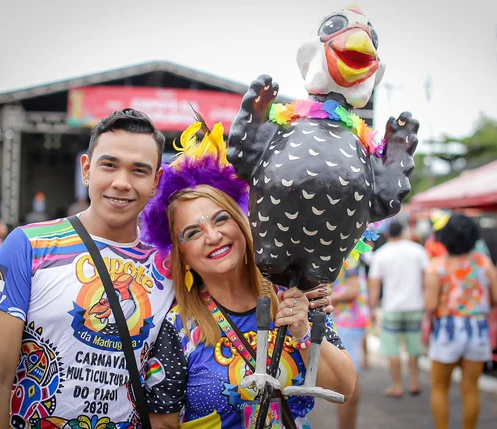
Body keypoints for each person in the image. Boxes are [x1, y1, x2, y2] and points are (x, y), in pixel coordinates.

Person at [0, 109, 177, 429]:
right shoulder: (29, 246)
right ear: (86, 169)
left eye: (139, 170)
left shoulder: (169, 268)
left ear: (156, 182)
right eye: (109, 165)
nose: (121, 183)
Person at [144, 121, 354, 429]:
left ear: (242, 225)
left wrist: (303, 332)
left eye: (221, 219)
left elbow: (345, 388)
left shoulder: (295, 295)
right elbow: (163, 423)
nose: (213, 236)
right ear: (182, 255)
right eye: (193, 232)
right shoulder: (178, 329)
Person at [425, 213, 497, 429]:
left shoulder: (437, 265)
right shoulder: (483, 263)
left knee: (440, 387)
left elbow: (431, 305)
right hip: (477, 330)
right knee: (471, 389)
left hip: (447, 330)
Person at [368, 221, 429, 397]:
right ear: (403, 232)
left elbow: (374, 285)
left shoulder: (381, 254)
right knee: (413, 347)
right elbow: (426, 278)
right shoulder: (418, 250)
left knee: (392, 348)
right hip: (415, 305)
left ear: (387, 234)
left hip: (392, 307)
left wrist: (372, 309)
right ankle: (414, 383)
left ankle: (397, 385)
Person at [331, 256, 370, 429]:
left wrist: (325, 297)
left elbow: (352, 290)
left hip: (349, 321)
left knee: (348, 384)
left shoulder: (349, 252)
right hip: (347, 321)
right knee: (346, 383)